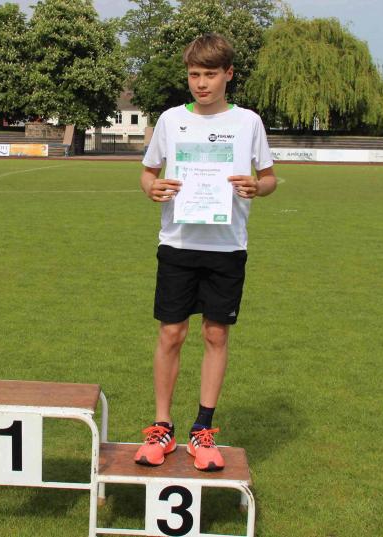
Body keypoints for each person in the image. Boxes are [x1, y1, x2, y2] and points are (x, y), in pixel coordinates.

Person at [135, 33, 276, 471]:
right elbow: (147, 173)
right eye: (194, 74)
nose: (201, 83)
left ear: (228, 74)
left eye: (210, 74)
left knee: (215, 335)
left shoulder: (248, 122)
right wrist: (152, 188)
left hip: (226, 246)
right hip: (177, 243)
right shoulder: (170, 120)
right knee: (171, 334)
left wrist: (258, 186)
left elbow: (269, 178)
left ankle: (203, 429)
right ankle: (162, 427)